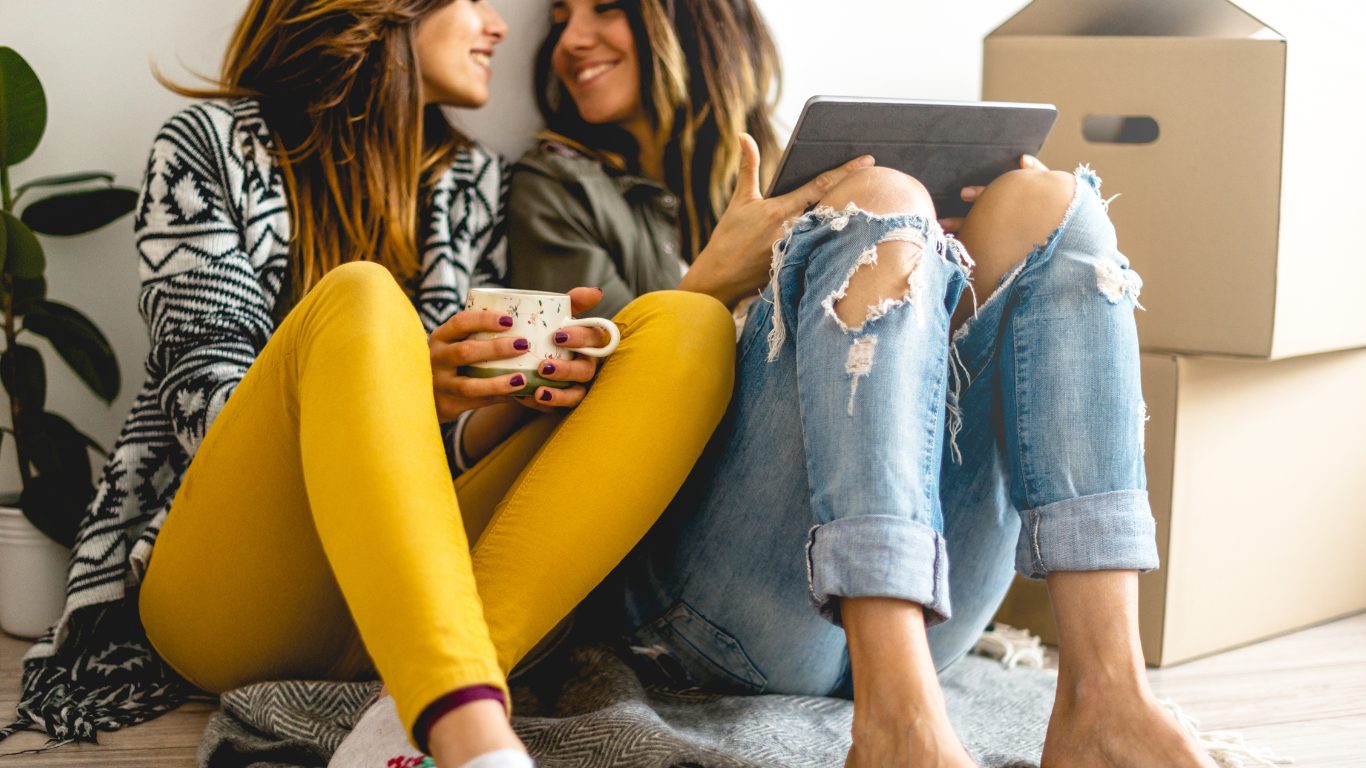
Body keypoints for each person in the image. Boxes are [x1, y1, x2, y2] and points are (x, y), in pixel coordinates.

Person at [0, 2, 741, 767]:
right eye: (475, 1)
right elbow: (205, 413)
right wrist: (410, 378)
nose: (500, 26)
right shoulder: (208, 148)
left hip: (414, 603)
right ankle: (465, 728)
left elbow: (451, 455)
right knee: (362, 298)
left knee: (688, 328)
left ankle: (406, 713)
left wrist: (509, 398)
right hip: (237, 597)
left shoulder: (476, 183)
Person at [506, 1, 1219, 766]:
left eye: (603, 8)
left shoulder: (799, 165)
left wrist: (929, 266)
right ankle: (895, 720)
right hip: (714, 611)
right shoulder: (556, 185)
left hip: (933, 605)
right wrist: (716, 278)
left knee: (1047, 206)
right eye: (558, 17)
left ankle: (1105, 697)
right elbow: (574, 421)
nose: (570, 40)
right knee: (882, 199)